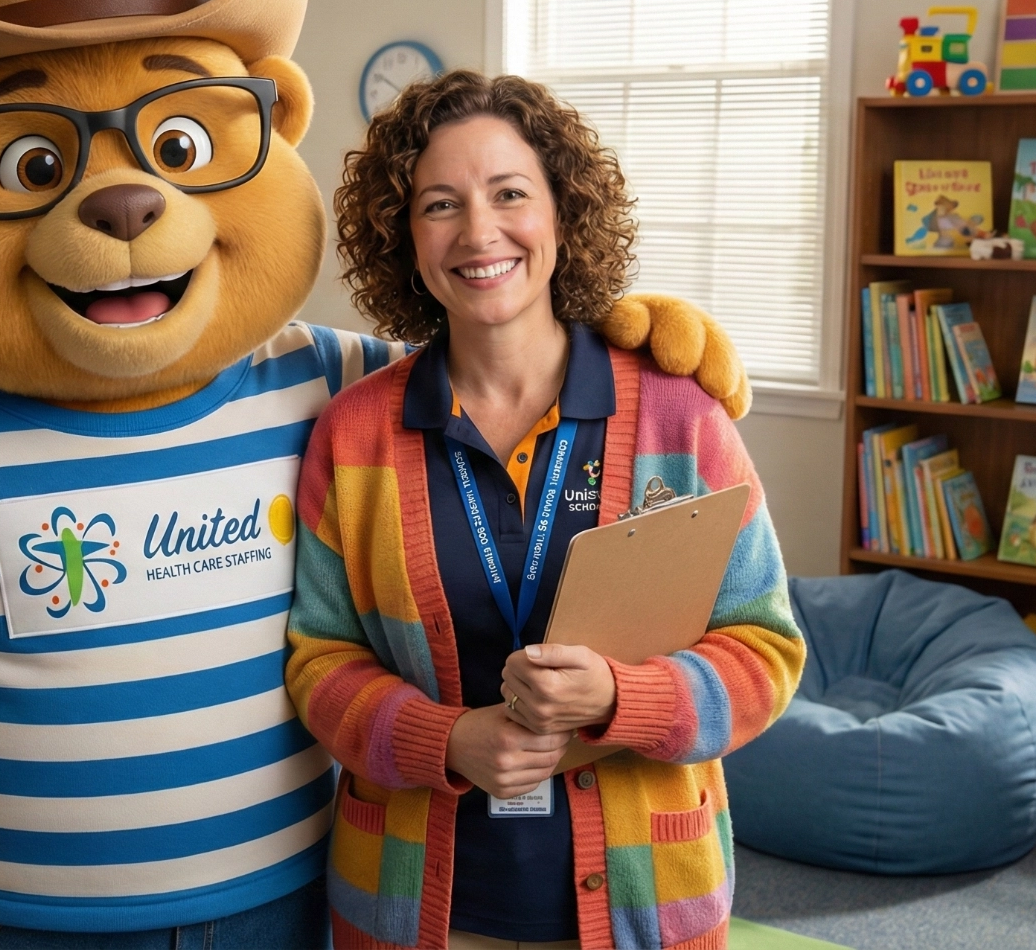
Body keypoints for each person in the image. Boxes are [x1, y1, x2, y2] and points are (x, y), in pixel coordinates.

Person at [286, 71, 804, 950]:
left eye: (510, 193)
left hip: (645, 902)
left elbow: (767, 648)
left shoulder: (681, 415)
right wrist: (446, 739)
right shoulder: (356, 434)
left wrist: (621, 697)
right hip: (415, 907)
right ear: (404, 238)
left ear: (562, 213)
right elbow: (319, 662)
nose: (479, 231)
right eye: (439, 204)